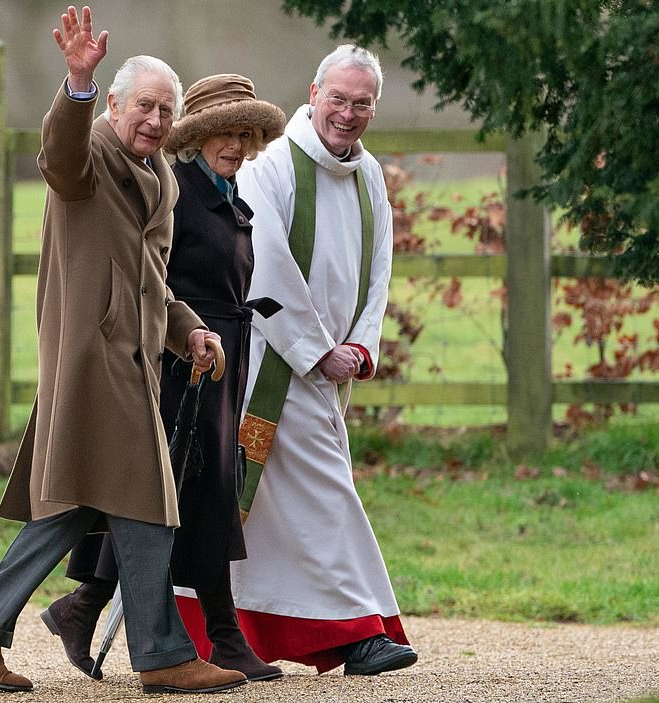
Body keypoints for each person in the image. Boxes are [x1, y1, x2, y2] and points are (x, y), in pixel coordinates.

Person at [0, 6, 247, 695]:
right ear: (113, 104)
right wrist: (74, 82)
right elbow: (58, 154)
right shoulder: (92, 154)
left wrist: (189, 329)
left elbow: (153, 282)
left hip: (134, 363)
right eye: (145, 106)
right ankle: (163, 653)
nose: (157, 120)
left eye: (167, 110)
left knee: (79, 507)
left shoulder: (160, 174)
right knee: (147, 504)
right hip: (93, 363)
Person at [175, 45, 419, 676]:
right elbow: (268, 267)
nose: (347, 112)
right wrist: (317, 352)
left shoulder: (369, 177)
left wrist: (361, 346)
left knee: (267, 513)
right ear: (314, 93)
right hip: (271, 365)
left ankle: (213, 632)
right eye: (337, 98)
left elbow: (379, 269)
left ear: (374, 107)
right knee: (324, 492)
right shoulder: (273, 166)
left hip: (331, 369)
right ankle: (359, 631)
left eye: (361, 102)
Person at [41, 74, 287, 683]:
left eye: (247, 133)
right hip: (172, 363)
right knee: (169, 496)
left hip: (217, 352)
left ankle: (84, 607)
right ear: (198, 135)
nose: (237, 143)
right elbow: (148, 273)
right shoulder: (164, 183)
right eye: (226, 132)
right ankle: (210, 638)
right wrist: (180, 335)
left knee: (183, 495)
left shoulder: (217, 191)